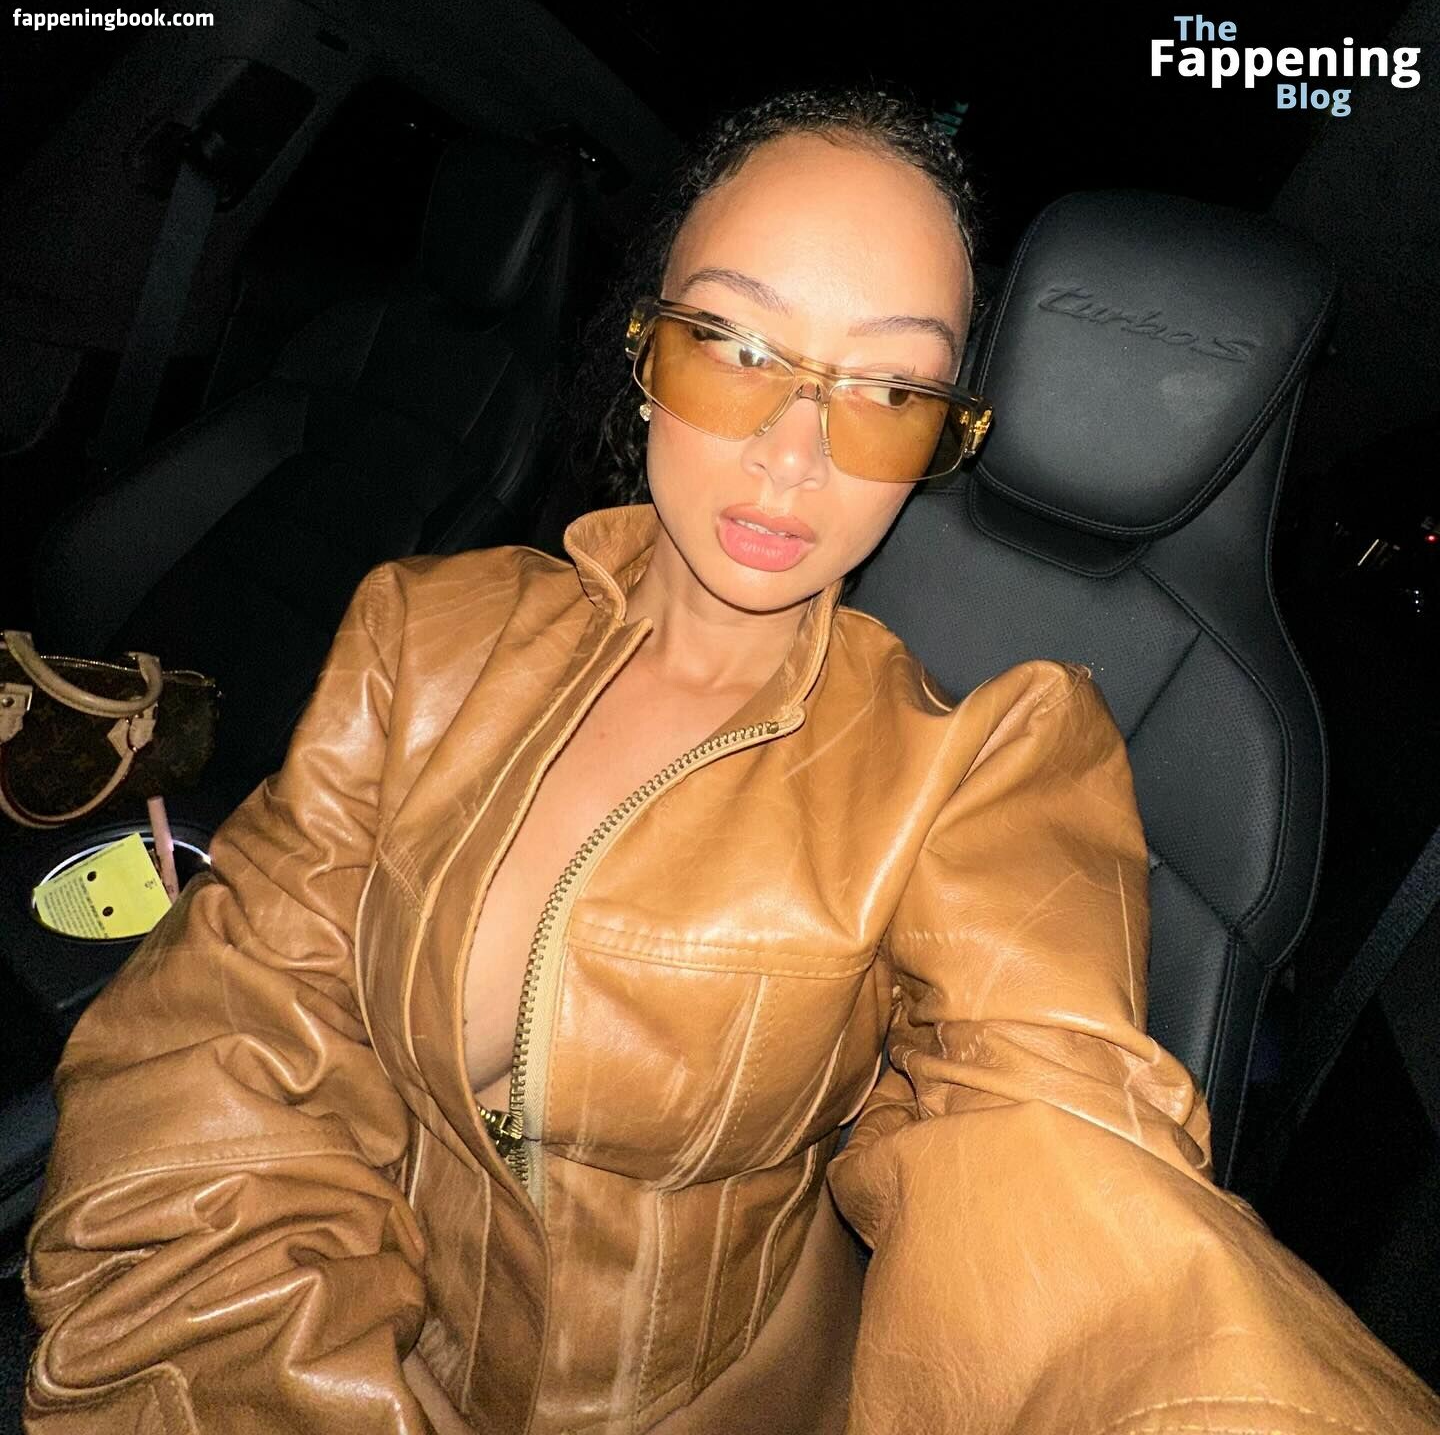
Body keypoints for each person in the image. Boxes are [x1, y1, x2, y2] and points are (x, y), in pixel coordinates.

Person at [22, 87, 1440, 1435]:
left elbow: (1056, 1162)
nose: (794, 451)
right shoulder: (425, 634)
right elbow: (217, 1063)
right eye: (736, 346)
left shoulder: (986, 767)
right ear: (645, 358)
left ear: (938, 440)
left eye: (889, 388)